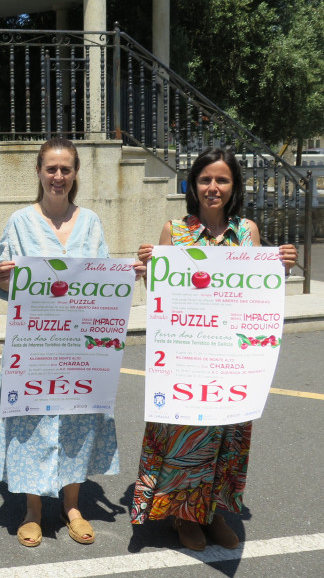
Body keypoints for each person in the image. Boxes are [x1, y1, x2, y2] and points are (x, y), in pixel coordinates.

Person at [131, 146, 297, 551]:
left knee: (227, 431)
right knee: (188, 432)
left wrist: (281, 265)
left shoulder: (248, 232)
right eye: (205, 179)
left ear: (234, 185)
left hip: (231, 356)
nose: (213, 187)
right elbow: (164, 294)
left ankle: (213, 511)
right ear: (193, 185)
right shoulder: (176, 230)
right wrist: (151, 267)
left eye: (222, 179)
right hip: (189, 350)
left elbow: (258, 294)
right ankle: (182, 516)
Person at [0, 137, 138, 549]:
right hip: (34, 344)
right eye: (51, 169)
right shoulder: (19, 221)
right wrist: (4, 278)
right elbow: (2, 284)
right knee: (31, 423)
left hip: (79, 346)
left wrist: (128, 274)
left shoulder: (90, 221)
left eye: (66, 170)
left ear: (75, 174)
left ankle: (72, 506)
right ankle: (34, 509)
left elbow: (102, 275)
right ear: (38, 171)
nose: (58, 177)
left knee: (77, 419)